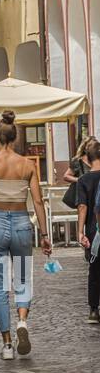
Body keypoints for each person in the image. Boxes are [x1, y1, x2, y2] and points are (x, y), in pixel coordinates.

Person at [0, 111, 52, 362]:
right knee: (23, 278)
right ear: (15, 139)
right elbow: (37, 201)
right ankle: (23, 321)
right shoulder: (28, 164)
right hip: (21, 222)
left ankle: (7, 345)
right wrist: (45, 233)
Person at [76, 138, 100, 325]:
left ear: (87, 159)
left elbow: (82, 206)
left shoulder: (83, 180)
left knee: (94, 269)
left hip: (93, 230)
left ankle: (93, 309)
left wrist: (80, 231)